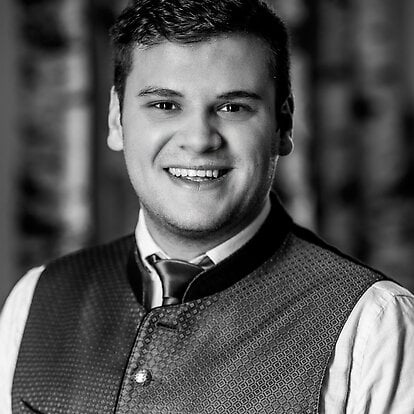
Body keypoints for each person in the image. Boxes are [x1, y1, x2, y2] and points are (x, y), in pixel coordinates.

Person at [1, 0, 414, 412]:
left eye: (233, 107)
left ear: (283, 124)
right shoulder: (34, 300)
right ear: (115, 119)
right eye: (165, 105)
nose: (199, 140)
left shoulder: (374, 327)